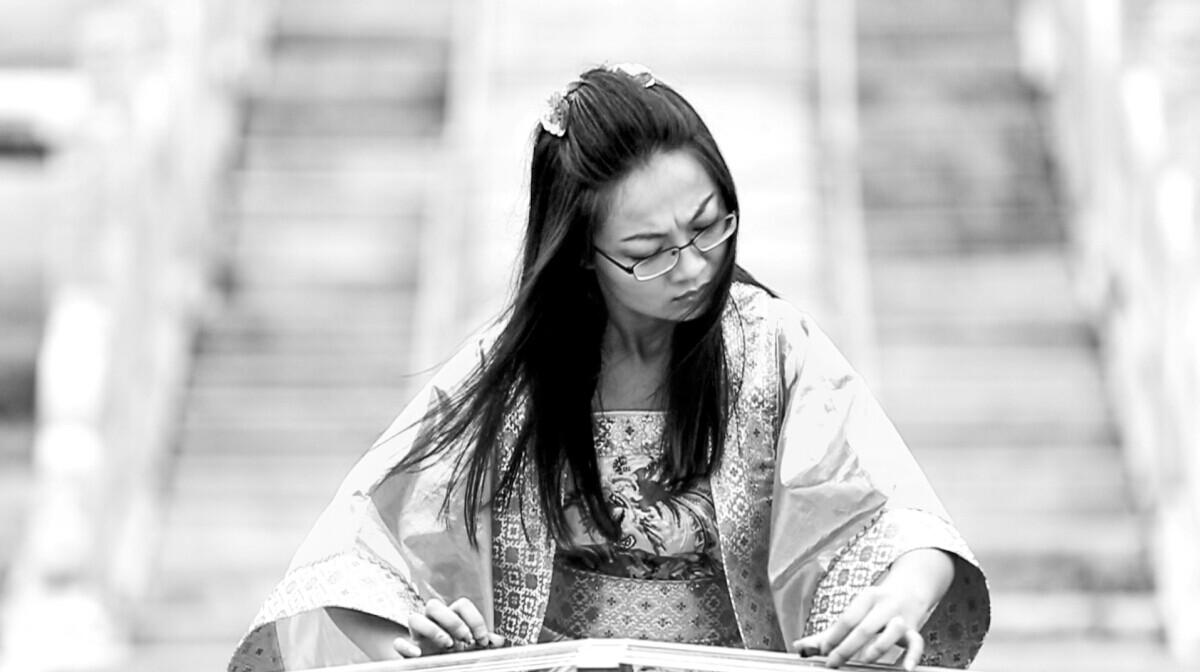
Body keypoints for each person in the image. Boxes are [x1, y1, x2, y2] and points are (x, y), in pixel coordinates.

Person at [228, 63, 990, 672]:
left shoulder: (773, 345)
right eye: (647, 253)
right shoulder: (513, 371)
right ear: (581, 255)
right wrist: (414, 646)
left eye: (708, 225)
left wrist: (897, 601)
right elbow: (354, 552)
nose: (693, 266)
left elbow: (903, 521)